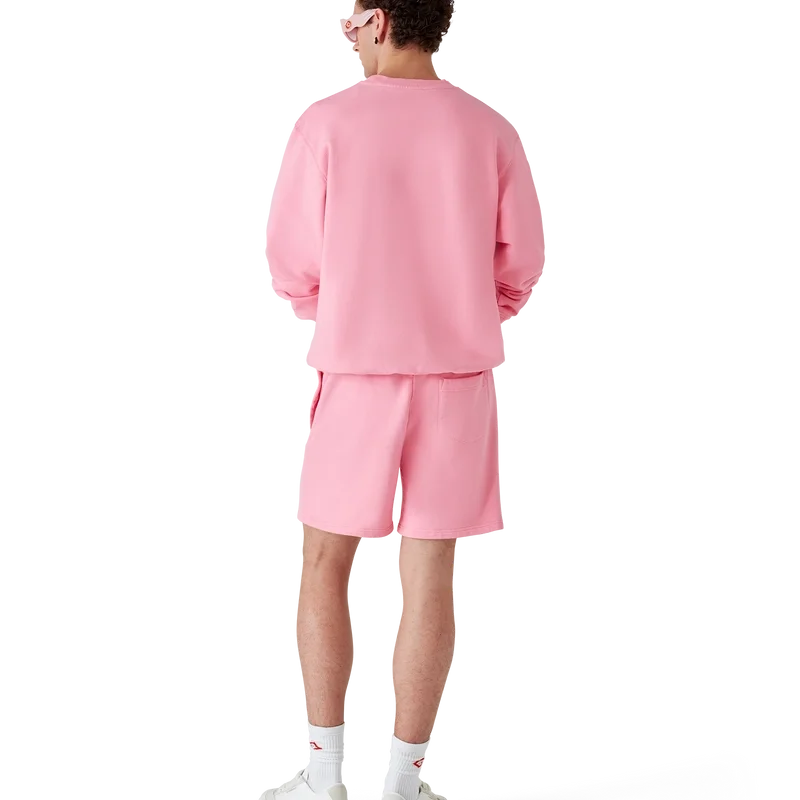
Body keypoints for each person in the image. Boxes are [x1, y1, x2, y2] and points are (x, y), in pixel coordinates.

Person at [263, 1, 546, 798]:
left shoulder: (325, 123)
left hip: (357, 372)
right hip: (457, 379)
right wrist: (456, 313)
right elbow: (521, 266)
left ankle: (324, 770)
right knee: (430, 572)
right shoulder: (490, 127)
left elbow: (291, 266)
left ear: (379, 22)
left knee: (324, 560)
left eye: (350, 19)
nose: (346, 33)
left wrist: (351, 312)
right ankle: (406, 777)